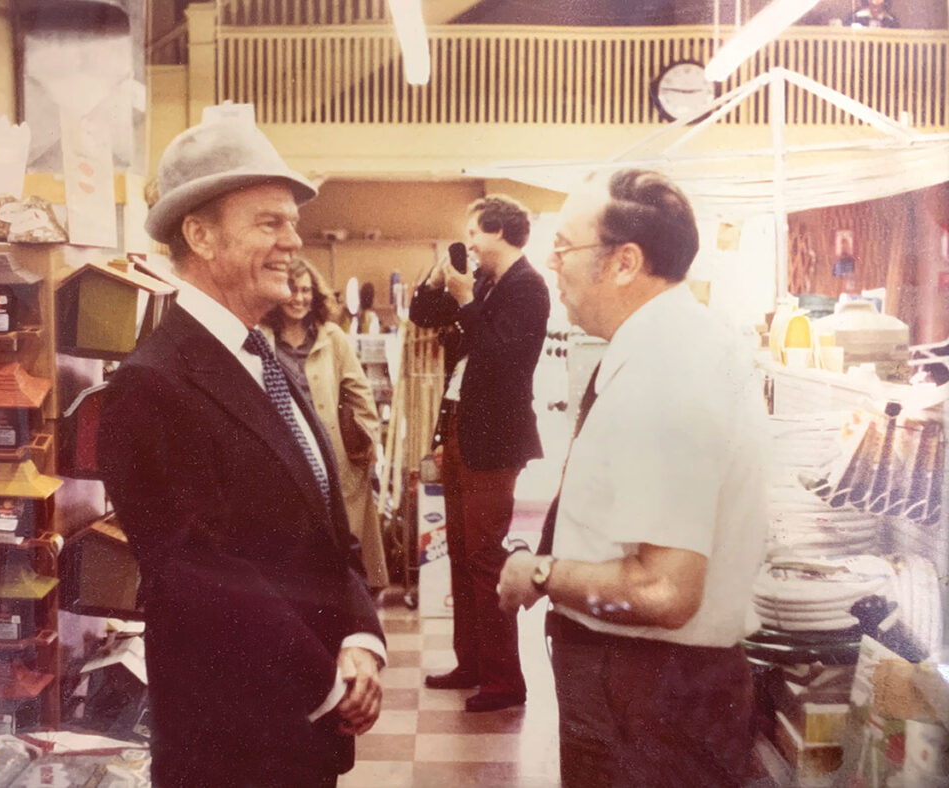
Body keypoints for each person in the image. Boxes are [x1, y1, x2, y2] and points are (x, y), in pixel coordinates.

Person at [97, 119, 384, 787]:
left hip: (306, 733)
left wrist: (360, 639)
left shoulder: (267, 360)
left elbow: (327, 531)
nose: (294, 242)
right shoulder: (152, 384)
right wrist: (326, 677)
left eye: (292, 223)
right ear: (200, 235)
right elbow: (196, 572)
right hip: (229, 746)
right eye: (269, 224)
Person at [497, 169, 768, 786]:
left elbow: (665, 592)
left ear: (624, 262)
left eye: (565, 247)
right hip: (644, 690)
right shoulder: (662, 347)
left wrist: (541, 573)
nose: (551, 262)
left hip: (649, 693)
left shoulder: (668, 370)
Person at [409, 195, 550, 713]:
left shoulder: (528, 287)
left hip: (495, 440)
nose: (469, 243)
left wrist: (468, 299)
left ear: (500, 233)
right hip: (462, 432)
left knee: (485, 557)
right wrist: (438, 279)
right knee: (464, 553)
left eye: (474, 233)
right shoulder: (485, 284)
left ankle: (504, 680)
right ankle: (470, 662)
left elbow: (503, 358)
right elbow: (422, 314)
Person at [262, 258, 389, 590]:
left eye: (306, 290)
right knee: (291, 537)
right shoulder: (260, 337)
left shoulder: (332, 336)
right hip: (280, 454)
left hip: (332, 455)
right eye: (292, 288)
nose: (299, 298)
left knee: (342, 536)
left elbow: (359, 392)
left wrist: (367, 439)